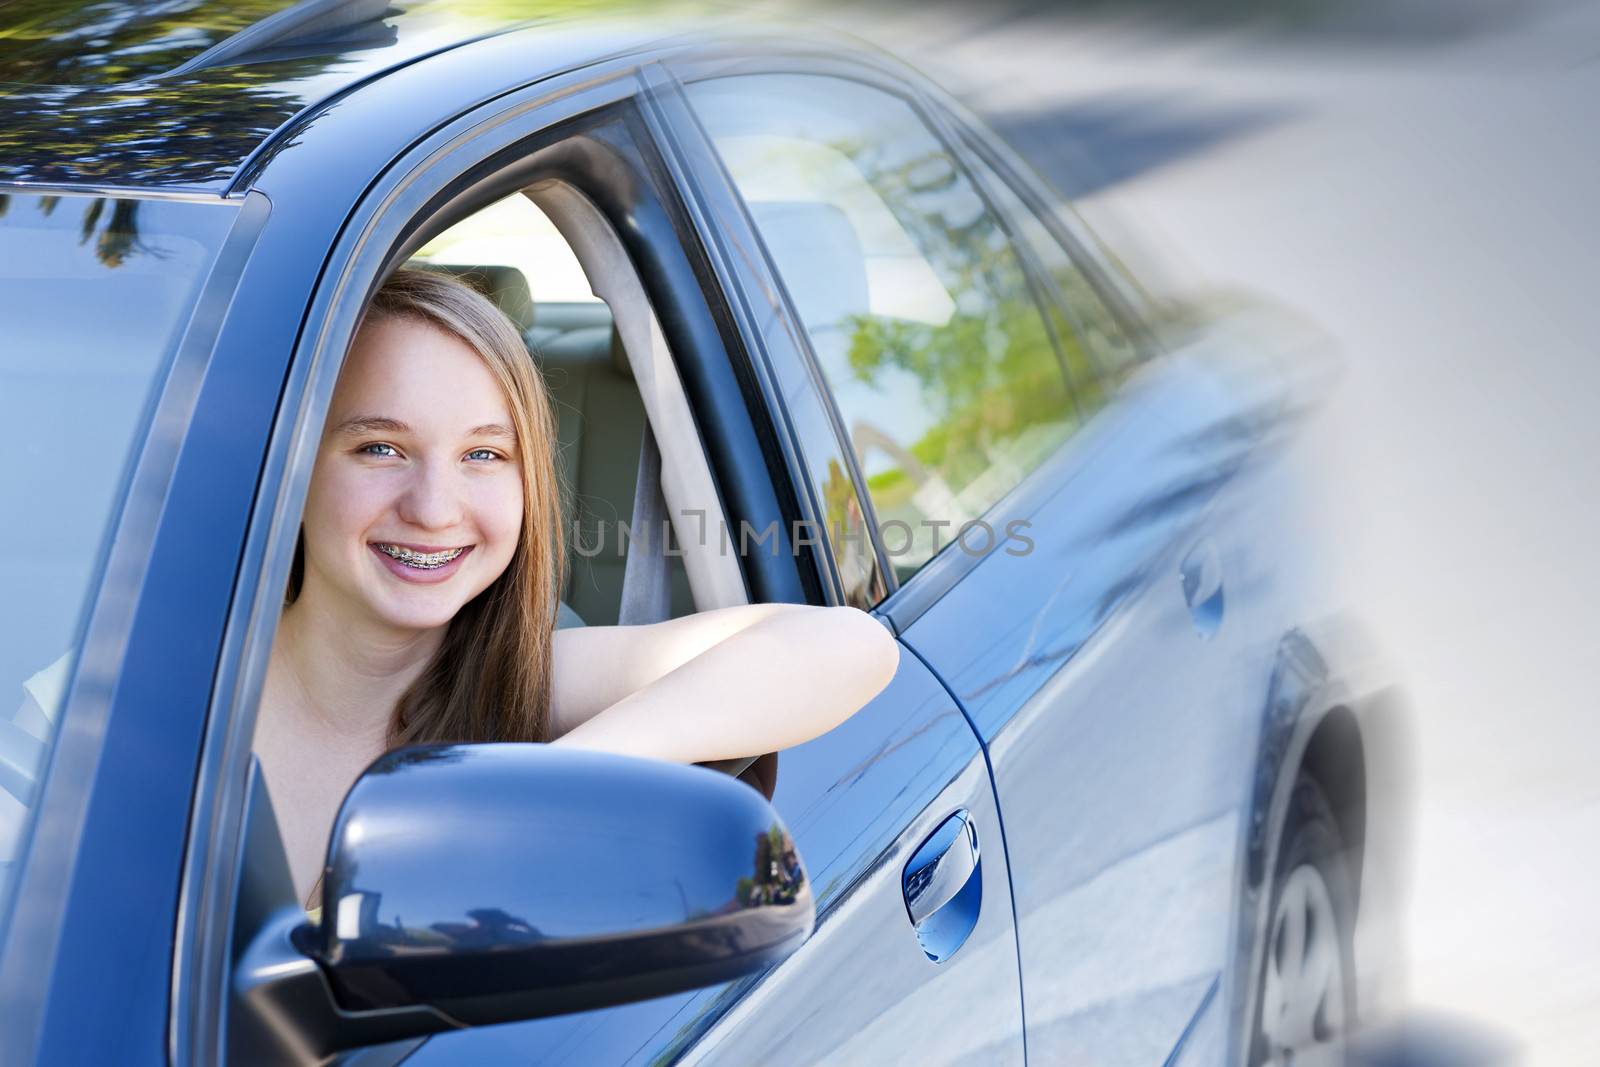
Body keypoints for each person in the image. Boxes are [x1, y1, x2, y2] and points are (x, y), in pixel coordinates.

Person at [250, 268, 899, 910]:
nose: (434, 509)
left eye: (484, 455)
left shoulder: (521, 680)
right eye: (381, 448)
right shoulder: (181, 684)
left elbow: (848, 642)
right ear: (293, 465)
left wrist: (530, 791)